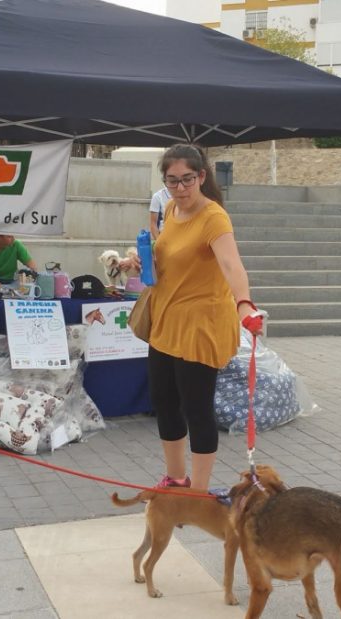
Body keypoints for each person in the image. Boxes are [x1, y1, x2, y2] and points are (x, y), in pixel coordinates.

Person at [145, 144, 263, 491]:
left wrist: (244, 303)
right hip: (166, 320)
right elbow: (168, 254)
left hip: (200, 325)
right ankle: (176, 478)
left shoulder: (213, 217)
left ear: (201, 177)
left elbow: (231, 264)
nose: (180, 189)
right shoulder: (170, 208)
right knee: (164, 403)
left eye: (187, 180)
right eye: (172, 181)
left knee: (196, 409)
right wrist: (142, 261)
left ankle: (198, 491)